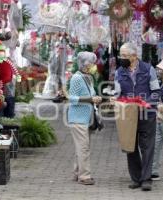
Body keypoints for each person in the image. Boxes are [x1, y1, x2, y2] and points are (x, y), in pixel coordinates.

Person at [114, 42, 160, 191]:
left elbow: (156, 92)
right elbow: (117, 93)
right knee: (130, 146)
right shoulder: (119, 72)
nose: (122, 58)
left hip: (147, 113)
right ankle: (136, 178)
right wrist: (115, 99)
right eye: (121, 55)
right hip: (128, 115)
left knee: (147, 146)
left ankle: (146, 179)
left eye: (124, 55)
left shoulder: (148, 69)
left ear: (134, 56)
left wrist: (146, 102)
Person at [68, 51, 102, 185]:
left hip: (86, 118)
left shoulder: (88, 77)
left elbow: (90, 96)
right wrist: (90, 99)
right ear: (85, 64)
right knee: (84, 148)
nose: (93, 66)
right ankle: (85, 176)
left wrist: (95, 99)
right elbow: (72, 98)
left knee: (81, 148)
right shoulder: (77, 78)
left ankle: (77, 173)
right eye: (91, 63)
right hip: (78, 119)